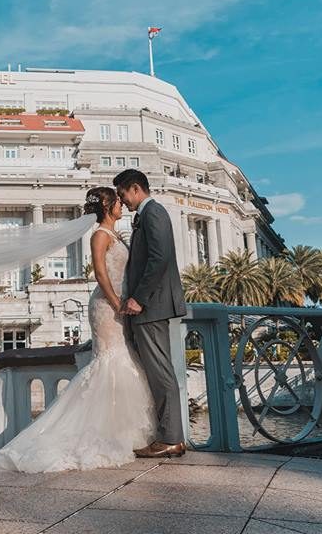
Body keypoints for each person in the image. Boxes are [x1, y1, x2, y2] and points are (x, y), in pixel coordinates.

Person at [0, 186, 156, 472]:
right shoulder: (100, 235)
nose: (122, 205)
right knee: (109, 363)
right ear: (108, 207)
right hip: (107, 307)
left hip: (118, 306)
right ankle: (100, 435)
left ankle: (120, 432)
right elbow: (100, 273)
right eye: (117, 202)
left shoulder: (114, 234)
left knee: (121, 362)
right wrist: (117, 303)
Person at [113, 168, 187, 459]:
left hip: (152, 305)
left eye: (122, 194)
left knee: (161, 373)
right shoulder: (145, 215)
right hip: (151, 305)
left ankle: (170, 438)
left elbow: (160, 258)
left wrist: (139, 299)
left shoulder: (154, 212)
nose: (123, 201)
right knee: (157, 372)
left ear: (134, 188)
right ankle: (169, 435)